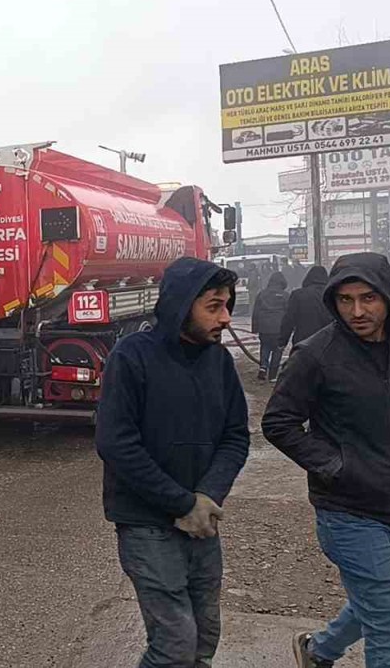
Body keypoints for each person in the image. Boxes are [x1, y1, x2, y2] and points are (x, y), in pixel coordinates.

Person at [262, 252, 390, 668]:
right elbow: (279, 422)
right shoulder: (316, 354)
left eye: (368, 298)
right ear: (333, 300)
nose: (357, 311)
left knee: (375, 604)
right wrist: (337, 467)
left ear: (387, 297)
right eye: (345, 300)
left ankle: (318, 650)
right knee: (388, 624)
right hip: (347, 512)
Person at [96, 257, 250, 668]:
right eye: (214, 306)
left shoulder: (220, 363)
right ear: (182, 305)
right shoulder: (132, 357)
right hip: (147, 523)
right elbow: (116, 443)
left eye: (227, 304)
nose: (226, 317)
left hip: (202, 522)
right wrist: (181, 504)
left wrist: (206, 497)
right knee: (175, 645)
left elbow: (236, 436)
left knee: (204, 636)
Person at [279, 265, 332, 349]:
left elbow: (288, 320)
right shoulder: (331, 295)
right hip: (327, 343)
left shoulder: (298, 295)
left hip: (303, 341)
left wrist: (282, 342)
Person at [251, 271, 289, 381]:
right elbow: (289, 313)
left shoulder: (262, 294)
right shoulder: (285, 295)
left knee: (265, 347)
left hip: (264, 327)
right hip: (279, 328)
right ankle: (272, 375)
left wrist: (255, 328)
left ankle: (263, 367)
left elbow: (256, 312)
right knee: (278, 350)